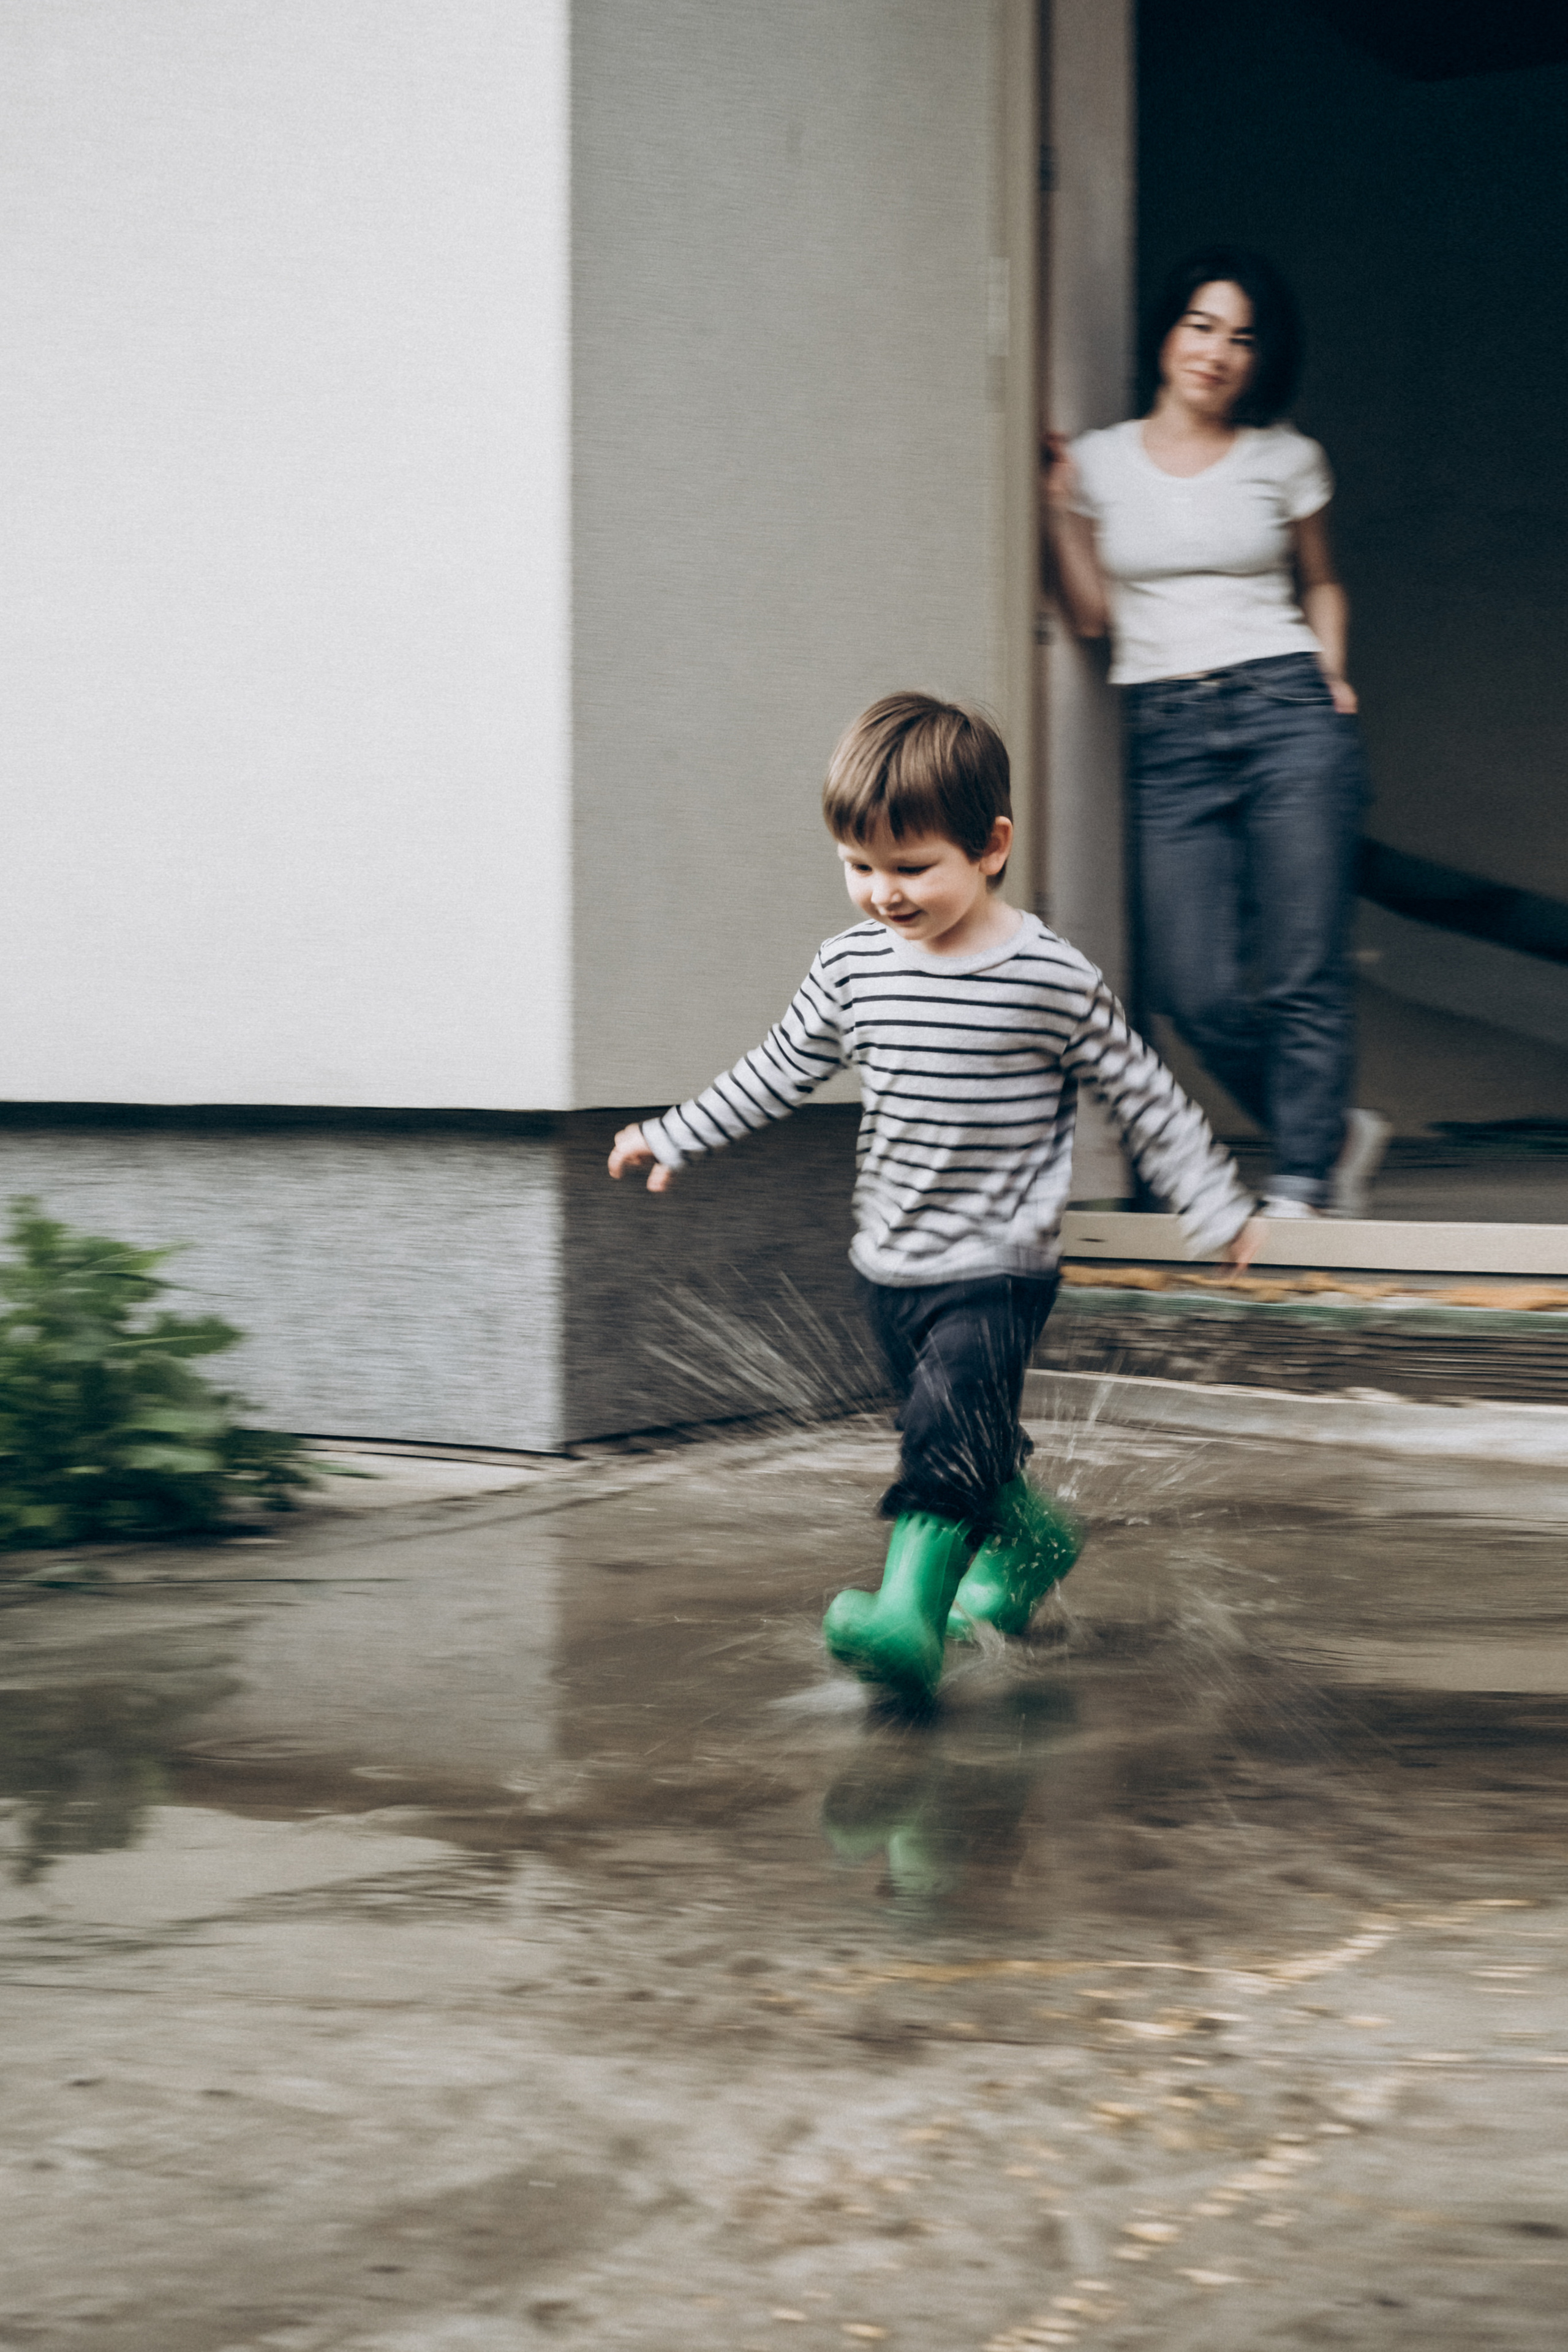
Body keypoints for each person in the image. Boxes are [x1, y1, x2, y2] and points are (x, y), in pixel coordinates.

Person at [608, 692, 1262, 1705]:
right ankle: (1036, 1542)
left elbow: (1143, 1090)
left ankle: (905, 1617)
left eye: (913, 868)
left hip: (999, 1265)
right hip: (891, 1260)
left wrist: (1211, 1204)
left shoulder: (1045, 974)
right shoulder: (849, 967)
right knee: (963, 1437)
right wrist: (676, 1132)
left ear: (992, 847)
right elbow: (778, 1070)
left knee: (943, 1433)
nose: (883, 894)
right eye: (859, 866)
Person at [1043, 244, 1389, 1219]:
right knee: (1191, 987)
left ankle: (1302, 1181)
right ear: (1167, 331)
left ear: (1260, 357)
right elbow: (1094, 616)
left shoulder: (1286, 457)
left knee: (1301, 968)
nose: (1217, 351)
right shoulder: (1103, 462)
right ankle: (1330, 1128)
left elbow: (1320, 580)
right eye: (1201, 324)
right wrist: (1054, 504)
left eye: (1242, 336)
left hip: (1287, 713)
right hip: (1166, 729)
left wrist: (1332, 668)